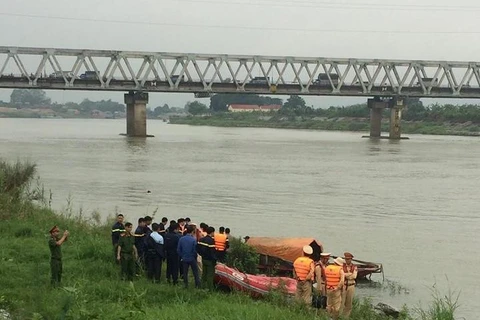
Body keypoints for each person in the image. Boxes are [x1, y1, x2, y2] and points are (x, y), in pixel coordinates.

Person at [341, 252, 358, 318]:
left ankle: (346, 317)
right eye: (346, 259)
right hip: (344, 285)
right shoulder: (342, 266)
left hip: (351, 286)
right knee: (342, 302)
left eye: (348, 259)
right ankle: (340, 316)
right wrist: (349, 274)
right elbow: (341, 275)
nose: (347, 260)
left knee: (349, 303)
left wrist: (345, 275)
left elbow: (354, 276)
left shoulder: (354, 267)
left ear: (351, 259)